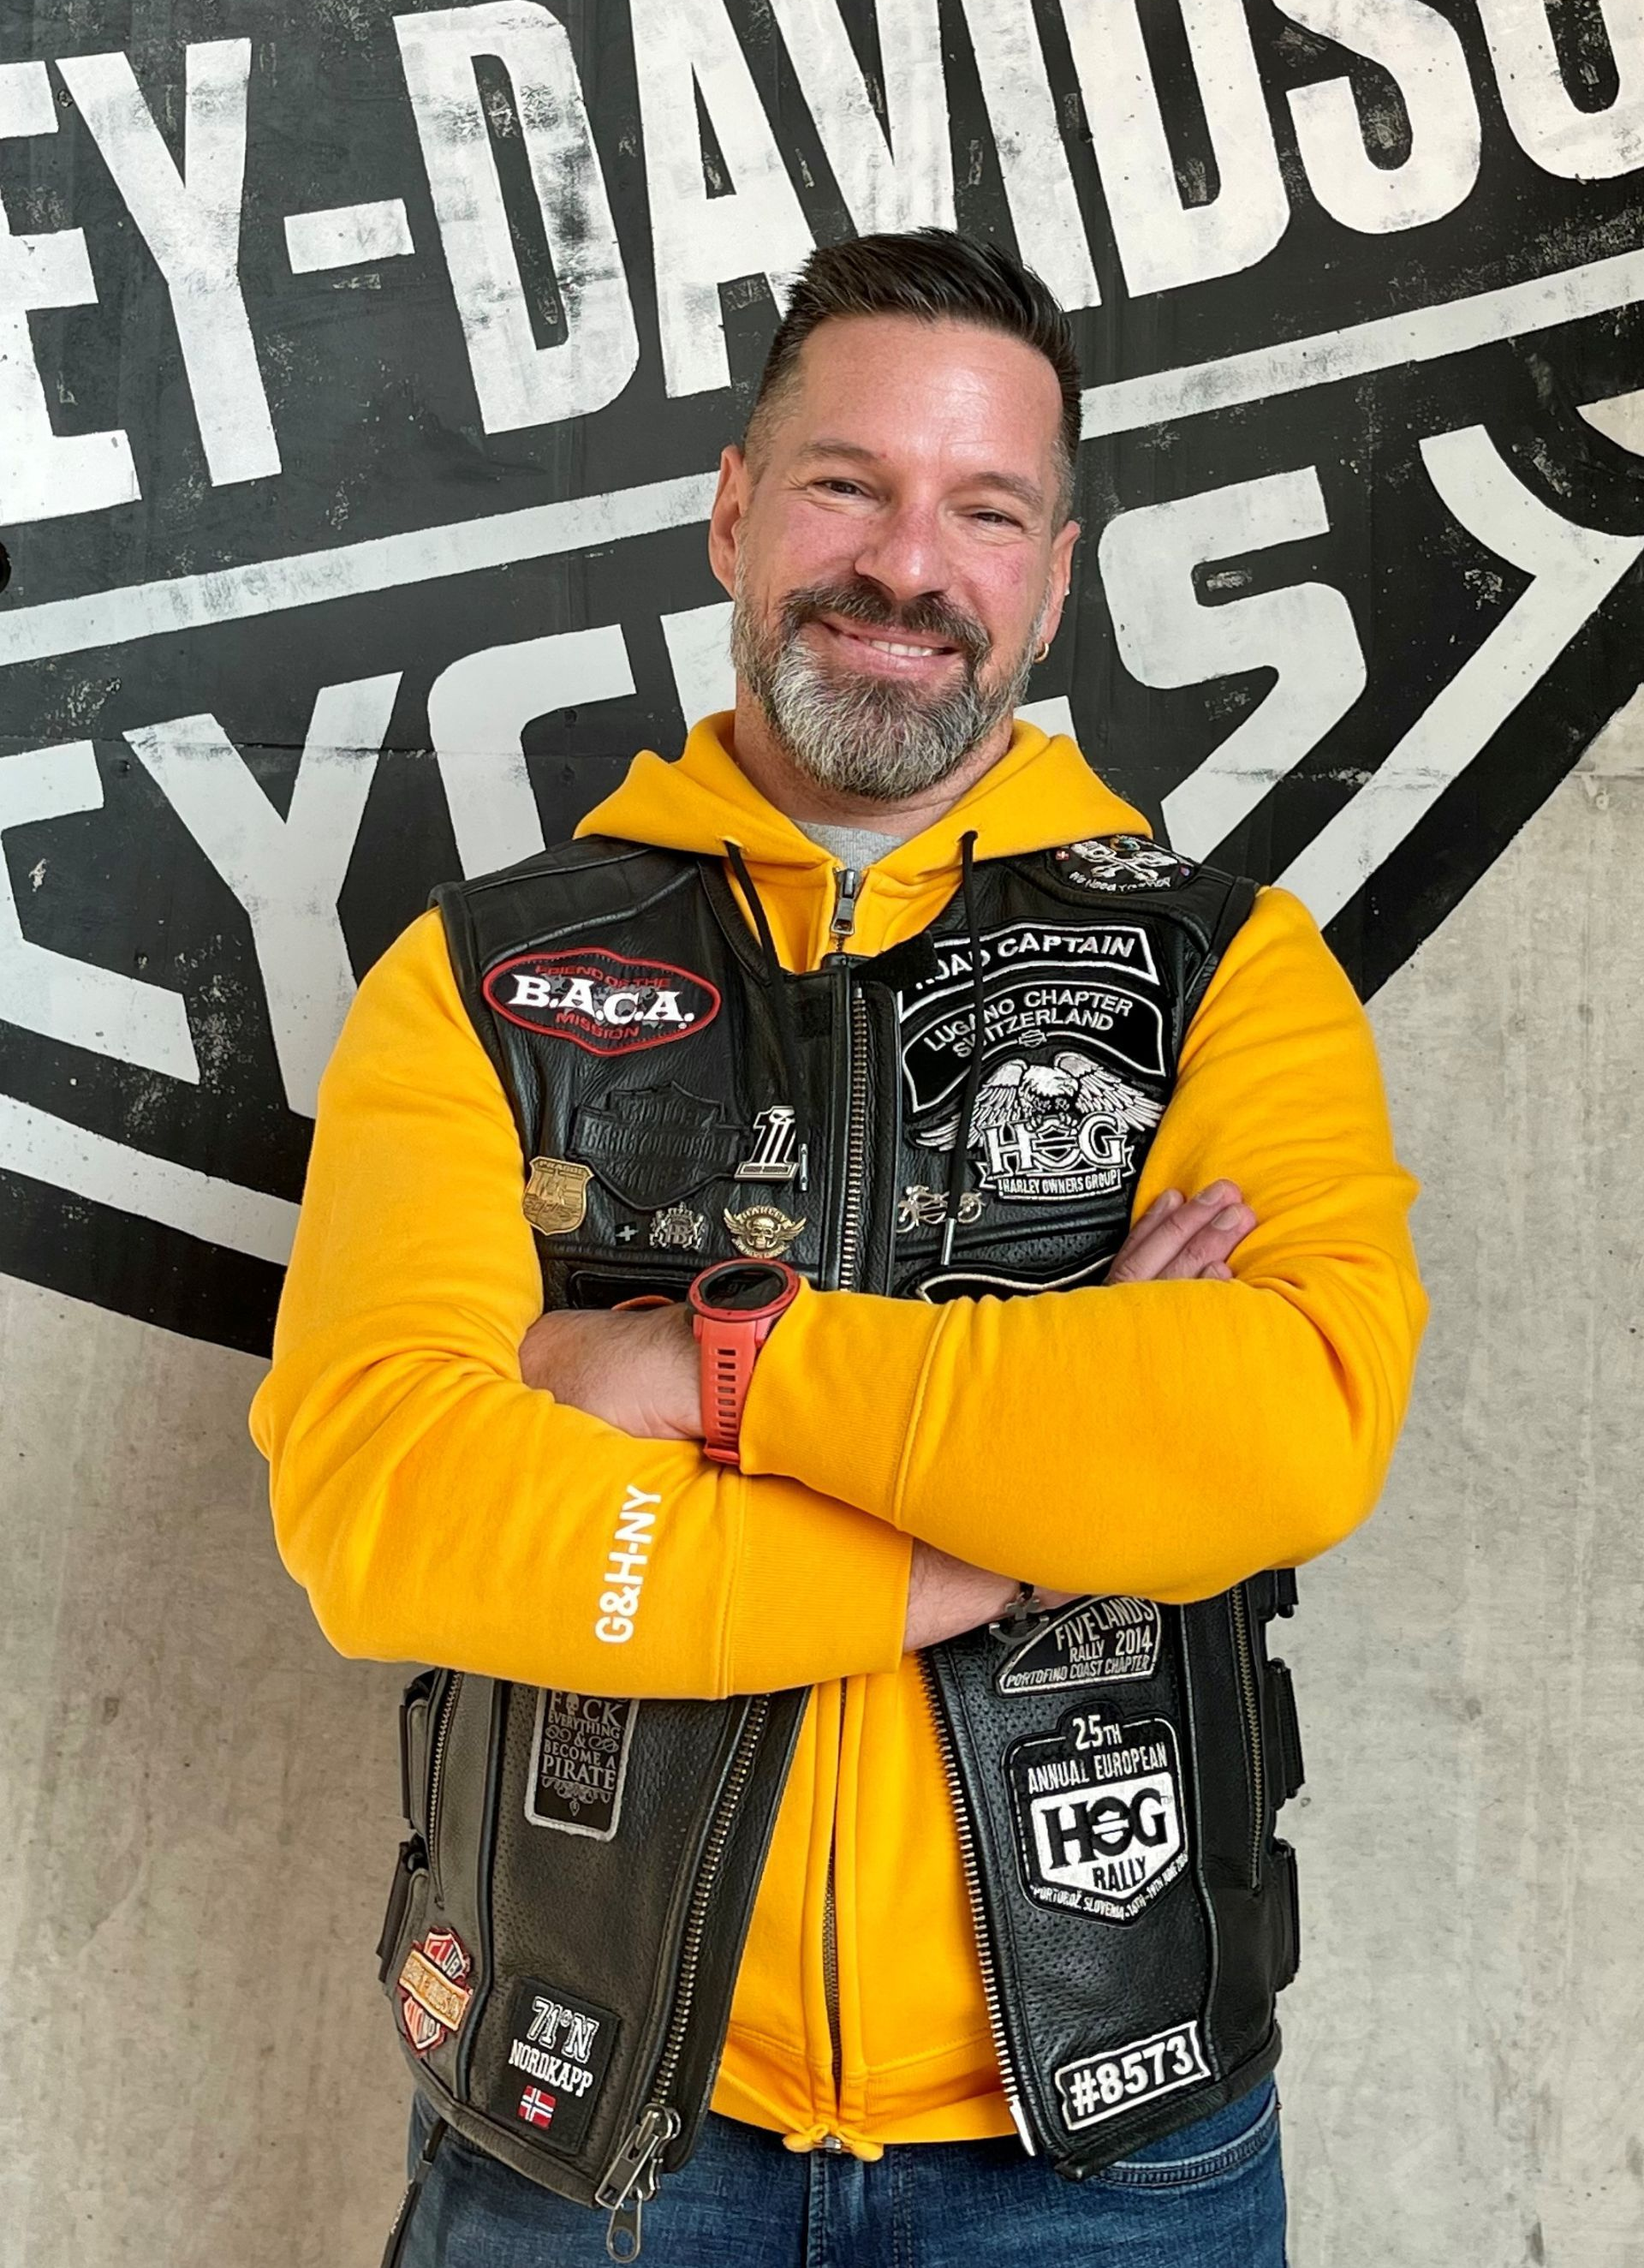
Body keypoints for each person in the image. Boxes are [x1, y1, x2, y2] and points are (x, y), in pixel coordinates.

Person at [251, 229, 1426, 2268]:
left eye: (985, 509)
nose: (907, 565)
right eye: (846, 484)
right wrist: (1011, 1522)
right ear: (733, 512)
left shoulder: (1232, 970)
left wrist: (703, 1368)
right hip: (590, 2138)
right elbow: (386, 1505)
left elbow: (1286, 1424)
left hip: (1107, 2159)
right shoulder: (478, 980)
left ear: (1054, 574)